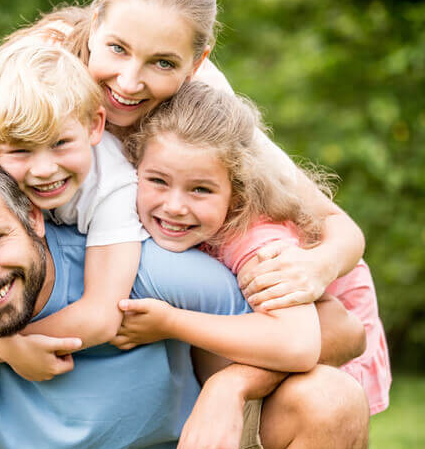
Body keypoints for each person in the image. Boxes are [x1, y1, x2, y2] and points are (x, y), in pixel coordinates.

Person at [0, 0, 367, 449]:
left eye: (163, 62)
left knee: (328, 386)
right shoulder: (24, 87)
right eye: (118, 50)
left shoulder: (200, 121)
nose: (128, 83)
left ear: (197, 63)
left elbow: (339, 277)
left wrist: (318, 267)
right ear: (96, 21)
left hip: (242, 279)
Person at [0, 137, 369, 449]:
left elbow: (340, 332)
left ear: (33, 217)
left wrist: (231, 385)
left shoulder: (142, 267)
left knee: (330, 399)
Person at [116, 81, 391, 414]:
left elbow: (297, 346)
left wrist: (169, 322)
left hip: (333, 346)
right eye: (158, 181)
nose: (174, 206)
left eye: (200, 190)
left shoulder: (256, 241)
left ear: (238, 194)